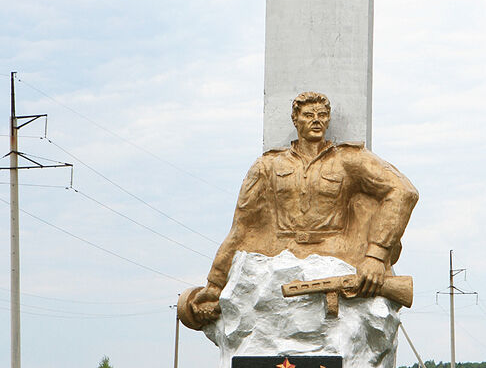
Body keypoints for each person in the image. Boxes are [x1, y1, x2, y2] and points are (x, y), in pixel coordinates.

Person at [178, 92, 418, 329]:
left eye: (323, 115)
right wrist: (215, 284)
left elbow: (403, 191)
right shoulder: (268, 166)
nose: (317, 120)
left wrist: (376, 256)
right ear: (296, 120)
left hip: (334, 259)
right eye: (309, 115)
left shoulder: (349, 160)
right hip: (279, 264)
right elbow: (241, 229)